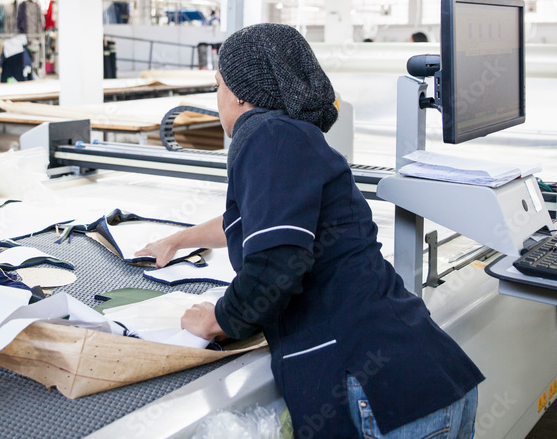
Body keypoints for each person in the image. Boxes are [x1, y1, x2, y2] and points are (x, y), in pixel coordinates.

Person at [137, 23, 482, 438]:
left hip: (378, 397)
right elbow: (256, 224)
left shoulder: (265, 134)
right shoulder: (294, 137)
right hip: (424, 385)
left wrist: (219, 321)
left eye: (218, 86)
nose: (217, 99)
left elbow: (276, 262)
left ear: (241, 92)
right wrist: (177, 240)